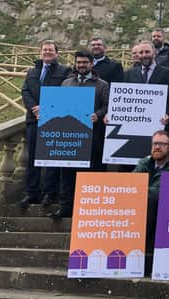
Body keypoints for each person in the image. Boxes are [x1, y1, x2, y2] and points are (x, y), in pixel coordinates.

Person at [50, 50, 110, 219]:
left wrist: (97, 115)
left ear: (91, 64)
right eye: (79, 62)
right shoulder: (66, 83)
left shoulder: (102, 85)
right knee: (67, 174)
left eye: (85, 62)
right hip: (69, 137)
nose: (81, 65)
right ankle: (65, 207)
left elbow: (108, 105)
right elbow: (59, 104)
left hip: (93, 138)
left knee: (91, 174)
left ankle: (89, 209)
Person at [20, 40, 71, 210]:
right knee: (32, 157)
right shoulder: (32, 71)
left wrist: (47, 108)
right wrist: (34, 108)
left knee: (51, 157)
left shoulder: (65, 71)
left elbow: (65, 92)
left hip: (54, 119)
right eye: (45, 50)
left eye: (51, 50)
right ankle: (31, 192)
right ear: (40, 52)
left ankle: (50, 192)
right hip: (33, 119)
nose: (47, 52)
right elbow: (25, 91)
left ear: (57, 53)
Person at [134, 130, 169, 248]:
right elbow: (131, 184)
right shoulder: (145, 162)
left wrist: (138, 190)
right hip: (141, 206)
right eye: (154, 144)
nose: (157, 147)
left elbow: (161, 192)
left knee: (150, 200)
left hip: (165, 211)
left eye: (162, 144)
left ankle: (139, 245)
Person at [123, 41, 169, 129]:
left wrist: (167, 114)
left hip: (159, 123)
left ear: (154, 52)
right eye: (141, 52)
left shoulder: (168, 73)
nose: (144, 55)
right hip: (134, 125)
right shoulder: (128, 74)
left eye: (147, 52)